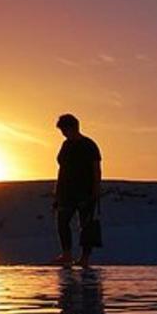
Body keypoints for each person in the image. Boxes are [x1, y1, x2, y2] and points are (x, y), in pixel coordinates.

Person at [52, 113, 102, 267]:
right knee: (62, 221)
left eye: (65, 130)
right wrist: (57, 193)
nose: (64, 134)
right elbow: (61, 169)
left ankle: (85, 257)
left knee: (86, 225)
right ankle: (66, 253)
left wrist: (96, 190)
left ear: (73, 127)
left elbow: (96, 169)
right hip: (66, 191)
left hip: (85, 191)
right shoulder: (65, 145)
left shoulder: (89, 145)